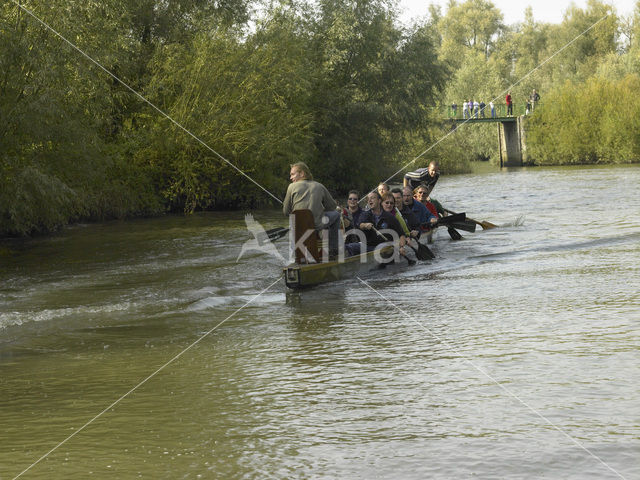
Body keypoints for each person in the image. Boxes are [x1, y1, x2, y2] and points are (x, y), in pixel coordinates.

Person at [283, 162, 340, 257]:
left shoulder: (291, 187)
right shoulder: (319, 186)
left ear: (302, 173)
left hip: (298, 227)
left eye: (293, 174)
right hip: (317, 225)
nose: (290, 178)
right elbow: (332, 207)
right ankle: (333, 249)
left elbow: (286, 212)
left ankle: (296, 254)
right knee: (337, 215)